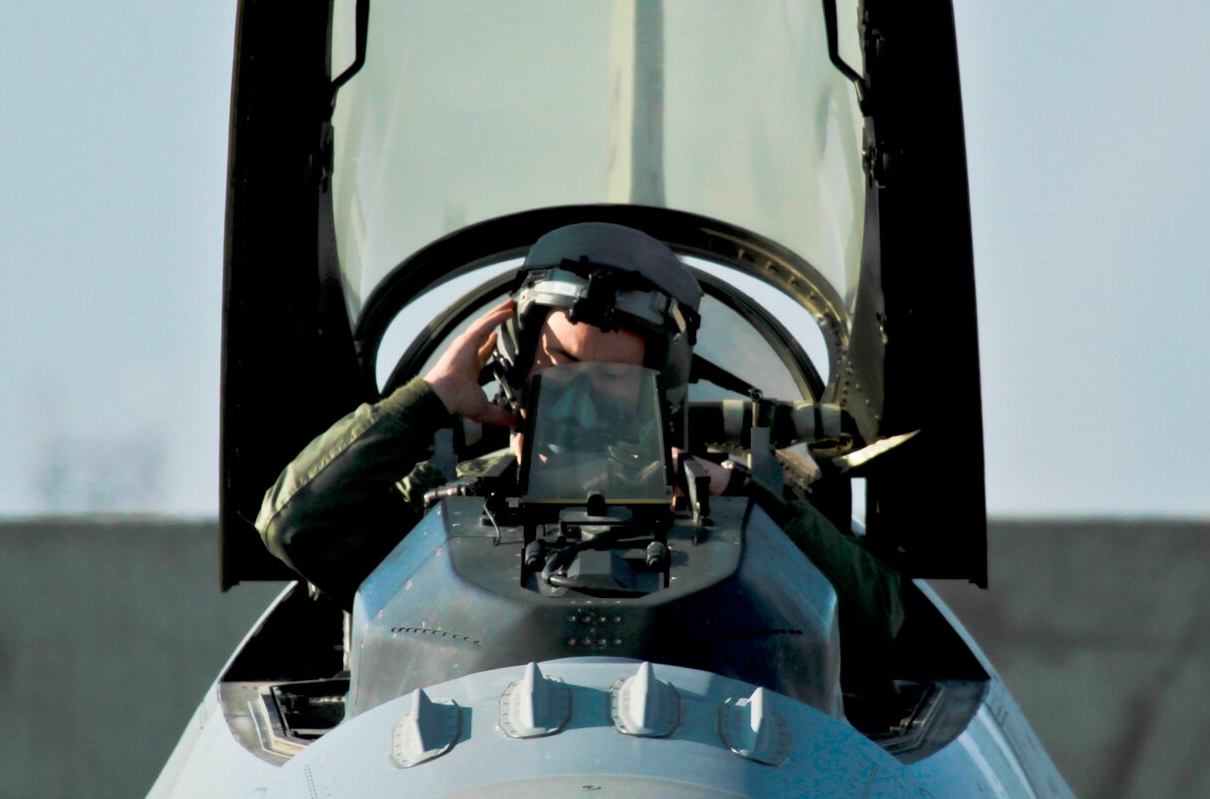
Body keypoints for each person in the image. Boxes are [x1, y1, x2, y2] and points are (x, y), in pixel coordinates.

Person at [255, 222, 906, 709]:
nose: (585, 396)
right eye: (562, 365)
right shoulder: (437, 503)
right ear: (512, 359)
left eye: (616, 377)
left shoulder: (735, 502)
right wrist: (423, 403)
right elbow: (295, 525)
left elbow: (877, 620)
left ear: (661, 383)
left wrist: (743, 495)